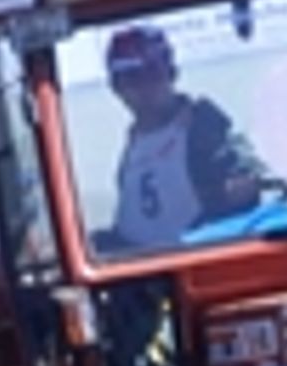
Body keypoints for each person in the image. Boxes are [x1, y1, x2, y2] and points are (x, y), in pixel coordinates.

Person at [102, 24, 270, 251]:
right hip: (141, 269)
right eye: (131, 79)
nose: (144, 87)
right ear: (116, 88)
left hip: (196, 262)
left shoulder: (201, 127)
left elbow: (246, 172)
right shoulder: (134, 145)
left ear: (171, 73)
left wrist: (235, 185)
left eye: (153, 73)